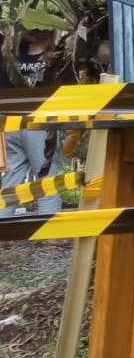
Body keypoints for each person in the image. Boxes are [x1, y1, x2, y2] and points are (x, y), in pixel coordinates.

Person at [1, 30, 62, 220]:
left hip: (11, 120)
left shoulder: (12, 55)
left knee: (11, 175)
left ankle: (3, 228)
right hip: (37, 123)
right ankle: (51, 228)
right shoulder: (57, 60)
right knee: (46, 174)